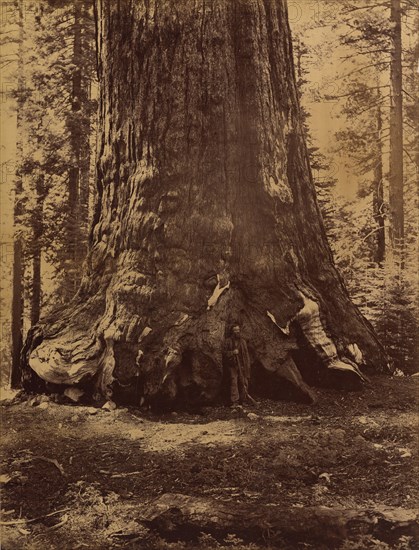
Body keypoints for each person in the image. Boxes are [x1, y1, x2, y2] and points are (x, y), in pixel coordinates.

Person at [223, 324, 254, 406]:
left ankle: (244, 400)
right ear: (232, 331)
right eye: (235, 330)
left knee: (244, 382)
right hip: (233, 365)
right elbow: (224, 353)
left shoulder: (243, 342)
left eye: (238, 330)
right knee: (234, 382)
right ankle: (235, 401)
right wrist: (232, 352)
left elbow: (246, 355)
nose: (237, 332)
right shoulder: (228, 341)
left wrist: (247, 365)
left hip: (243, 365)